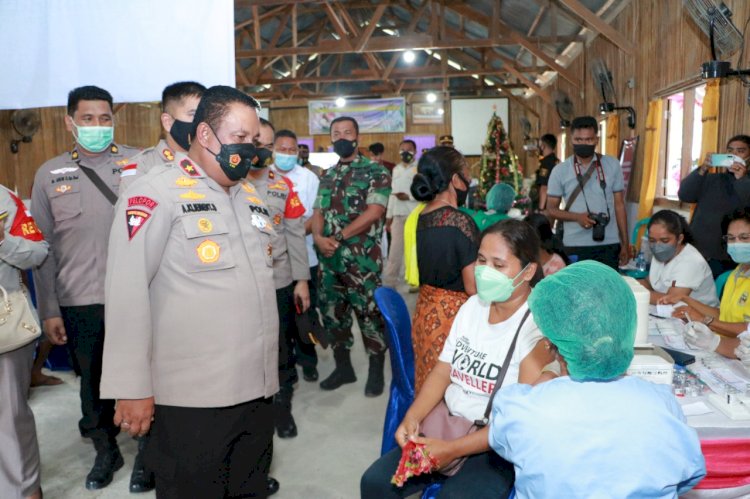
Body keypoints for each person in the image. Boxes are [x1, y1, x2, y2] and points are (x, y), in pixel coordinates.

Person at [100, 85, 279, 498]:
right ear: (204, 135)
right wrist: (131, 387)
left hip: (256, 389)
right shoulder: (154, 193)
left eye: (253, 141)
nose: (249, 150)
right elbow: (127, 292)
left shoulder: (250, 195)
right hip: (192, 400)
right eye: (239, 139)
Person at [360, 219, 554, 499]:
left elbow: (516, 420)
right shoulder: (472, 307)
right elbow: (442, 371)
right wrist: (412, 417)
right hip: (446, 425)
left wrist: (451, 450)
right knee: (376, 482)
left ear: (527, 272)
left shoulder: (537, 325)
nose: (485, 272)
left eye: (498, 265)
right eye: (481, 260)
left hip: (492, 444)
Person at [489, 260, 706, 498]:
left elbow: (506, 447)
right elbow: (689, 474)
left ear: (549, 342)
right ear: (626, 327)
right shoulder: (662, 403)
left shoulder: (519, 407)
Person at [31, 85, 141, 491]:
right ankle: (105, 451)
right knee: (93, 383)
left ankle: (147, 453)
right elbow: (41, 249)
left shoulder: (139, 164)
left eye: (105, 118)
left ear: (115, 119)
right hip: (80, 301)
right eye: (88, 119)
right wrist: (50, 309)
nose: (98, 126)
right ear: (70, 122)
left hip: (137, 296)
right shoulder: (48, 174)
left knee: (144, 376)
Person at [312, 116, 391, 396]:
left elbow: (375, 211)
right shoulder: (328, 175)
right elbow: (318, 212)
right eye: (336, 133)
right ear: (331, 138)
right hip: (330, 262)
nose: (342, 137)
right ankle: (343, 369)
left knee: (369, 315)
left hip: (362, 262)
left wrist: (338, 237)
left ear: (357, 137)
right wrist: (320, 239)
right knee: (334, 315)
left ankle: (375, 372)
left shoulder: (375, 171)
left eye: (347, 132)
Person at [249, 120, 310, 440]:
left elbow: (296, 235)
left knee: (282, 349)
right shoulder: (228, 182)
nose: (262, 148)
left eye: (267, 144)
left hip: (279, 279)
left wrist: (301, 281)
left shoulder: (282, 186)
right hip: (241, 285)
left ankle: (282, 406)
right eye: (256, 141)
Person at [410, 146, 480, 391]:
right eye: (467, 174)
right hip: (453, 318)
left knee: (429, 385)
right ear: (455, 180)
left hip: (425, 312)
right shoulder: (460, 221)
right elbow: (473, 287)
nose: (470, 180)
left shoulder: (423, 215)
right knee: (453, 389)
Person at [0, 186, 49, 499]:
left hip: (4, 325)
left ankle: (25, 489)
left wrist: (3, 241)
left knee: (10, 417)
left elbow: (37, 252)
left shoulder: (4, 199)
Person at [661, 208, 750, 358]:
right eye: (731, 238)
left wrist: (705, 321)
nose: (736, 244)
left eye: (744, 237)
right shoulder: (737, 273)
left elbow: (746, 329)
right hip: (727, 348)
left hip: (738, 352)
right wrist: (687, 300)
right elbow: (724, 315)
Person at [270, 129, 320, 384]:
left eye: (292, 150)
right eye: (282, 149)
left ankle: (308, 361)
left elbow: (313, 216)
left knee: (304, 314)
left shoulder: (308, 178)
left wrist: (293, 234)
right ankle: (285, 363)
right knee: (281, 318)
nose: (287, 154)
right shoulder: (262, 176)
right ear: (273, 149)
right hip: (275, 261)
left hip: (305, 255)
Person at [547, 116, 629, 270]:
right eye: (578, 139)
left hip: (609, 242)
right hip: (574, 243)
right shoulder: (560, 170)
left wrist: (625, 243)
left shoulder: (612, 165)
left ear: (596, 140)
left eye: (588, 139)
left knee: (607, 289)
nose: (583, 144)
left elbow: (619, 205)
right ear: (571, 139)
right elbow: (551, 210)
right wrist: (577, 217)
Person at [678, 134, 750, 277]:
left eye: (740, 151)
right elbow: (685, 195)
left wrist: (741, 179)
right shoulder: (712, 178)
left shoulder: (746, 183)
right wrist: (703, 168)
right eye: (730, 151)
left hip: (728, 257)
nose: (734, 155)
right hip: (697, 251)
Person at [119, 81, 206, 194]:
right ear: (168, 122)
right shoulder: (143, 168)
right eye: (193, 115)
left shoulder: (215, 163)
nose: (201, 123)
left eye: (204, 115)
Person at [639, 209, 718, 306]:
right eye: (652, 240)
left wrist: (636, 293)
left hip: (699, 317)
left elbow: (670, 301)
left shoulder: (691, 262)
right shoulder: (661, 253)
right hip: (672, 313)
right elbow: (650, 282)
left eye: (665, 240)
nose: (657, 246)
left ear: (680, 239)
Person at [383, 139, 419, 288]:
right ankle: (390, 283)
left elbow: (425, 192)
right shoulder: (396, 169)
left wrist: (409, 197)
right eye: (402, 149)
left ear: (415, 151)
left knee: (414, 251)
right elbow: (392, 194)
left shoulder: (420, 168)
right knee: (394, 252)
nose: (405, 152)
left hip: (414, 214)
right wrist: (388, 217)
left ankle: (414, 282)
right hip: (397, 215)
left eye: (408, 149)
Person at [535, 133, 559, 212]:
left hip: (546, 204)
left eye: (540, 145)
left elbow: (544, 187)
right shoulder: (556, 161)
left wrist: (540, 209)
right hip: (555, 202)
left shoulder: (546, 163)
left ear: (543, 146)